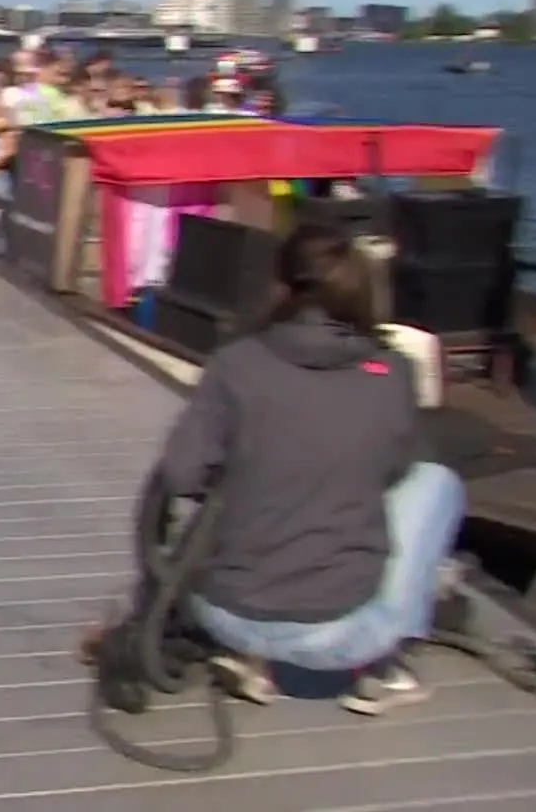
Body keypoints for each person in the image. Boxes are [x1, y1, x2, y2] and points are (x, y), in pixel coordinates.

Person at [158, 223, 466, 715]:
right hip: (338, 637)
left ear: (280, 287)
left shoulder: (236, 364)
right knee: (436, 482)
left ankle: (249, 659)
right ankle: (381, 671)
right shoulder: (391, 372)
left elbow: (180, 473)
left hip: (223, 614)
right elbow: (397, 469)